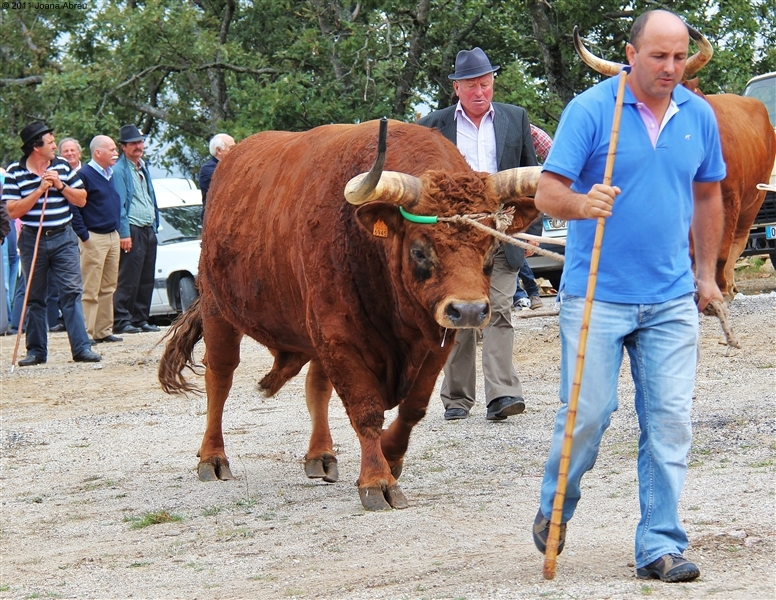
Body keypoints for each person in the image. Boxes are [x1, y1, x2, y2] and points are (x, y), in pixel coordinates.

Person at [532, 10, 725, 583]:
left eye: (679, 56)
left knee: (669, 422)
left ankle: (660, 545)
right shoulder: (594, 110)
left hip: (670, 297)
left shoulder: (699, 114)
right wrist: (582, 204)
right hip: (600, 296)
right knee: (588, 414)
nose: (671, 67)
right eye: (659, 56)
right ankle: (556, 507)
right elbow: (547, 193)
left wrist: (708, 273)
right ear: (631, 52)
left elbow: (709, 195)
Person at [418, 47, 540, 421]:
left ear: (492, 83)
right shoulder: (432, 125)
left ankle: (503, 395)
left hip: (501, 230)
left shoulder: (514, 118)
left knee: (500, 307)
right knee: (462, 310)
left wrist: (530, 230)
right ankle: (457, 398)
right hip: (454, 239)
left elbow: (530, 179)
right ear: (456, 87)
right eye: (471, 85)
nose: (479, 92)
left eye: (485, 84)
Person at [1, 121, 101, 365]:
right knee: (34, 296)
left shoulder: (63, 167)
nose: (56, 146)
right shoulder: (15, 172)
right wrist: (39, 189)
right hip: (32, 238)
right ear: (36, 147)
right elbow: (13, 211)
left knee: (71, 292)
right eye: (51, 142)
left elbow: (81, 200)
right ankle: (36, 351)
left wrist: (60, 185)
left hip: (63, 236)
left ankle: (81, 348)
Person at [70, 135, 123, 344]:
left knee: (109, 286)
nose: (115, 152)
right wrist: (84, 235)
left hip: (112, 235)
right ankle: (86, 332)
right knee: (90, 288)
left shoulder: (110, 174)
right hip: (93, 237)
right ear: (97, 152)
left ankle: (103, 330)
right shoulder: (83, 174)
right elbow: (74, 206)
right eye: (111, 149)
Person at [112, 124, 160, 334]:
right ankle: (122, 320)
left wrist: (155, 222)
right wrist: (124, 233)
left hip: (148, 226)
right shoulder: (119, 170)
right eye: (133, 143)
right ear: (123, 147)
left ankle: (141, 318)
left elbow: (150, 196)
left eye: (140, 142)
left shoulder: (143, 166)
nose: (138, 146)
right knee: (128, 276)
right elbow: (120, 203)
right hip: (132, 227)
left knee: (147, 276)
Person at [199, 133, 236, 220]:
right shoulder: (208, 169)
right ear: (219, 150)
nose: (235, 151)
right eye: (231, 148)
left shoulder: (233, 166)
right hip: (215, 219)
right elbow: (228, 183)